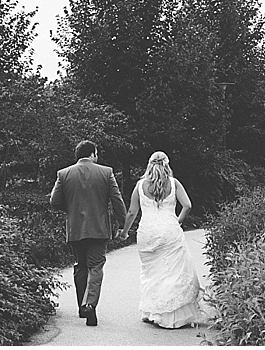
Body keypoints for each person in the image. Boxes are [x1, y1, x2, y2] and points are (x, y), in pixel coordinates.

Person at [117, 151, 202, 329]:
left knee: (152, 273)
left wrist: (125, 232)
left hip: (147, 234)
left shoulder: (140, 186)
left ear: (149, 165)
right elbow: (187, 205)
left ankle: (152, 312)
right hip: (169, 231)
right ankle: (172, 315)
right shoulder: (174, 183)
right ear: (167, 165)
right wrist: (177, 221)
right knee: (173, 272)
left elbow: (132, 212)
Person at [50, 139, 127, 327]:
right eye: (96, 153)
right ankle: (90, 305)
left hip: (75, 228)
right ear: (92, 154)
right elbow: (117, 200)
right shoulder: (106, 172)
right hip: (99, 229)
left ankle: (81, 306)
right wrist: (123, 223)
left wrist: (71, 210)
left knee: (80, 266)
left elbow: (54, 201)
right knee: (96, 267)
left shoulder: (64, 174)